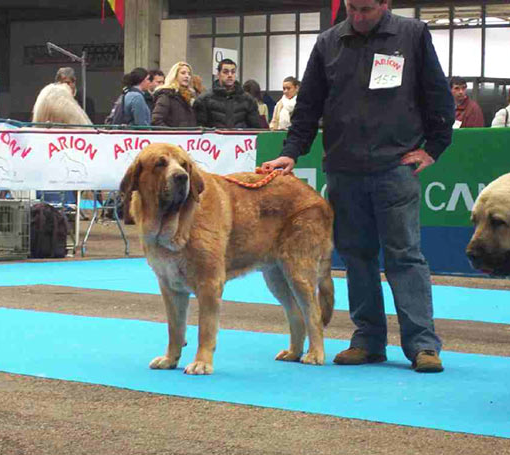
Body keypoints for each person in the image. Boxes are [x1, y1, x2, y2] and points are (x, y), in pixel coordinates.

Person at [262, 0, 454, 373]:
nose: (359, 17)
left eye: (366, 9)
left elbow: (437, 95)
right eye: (353, 9)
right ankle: (367, 340)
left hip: (395, 168)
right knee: (356, 255)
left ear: (385, 4)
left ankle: (422, 345)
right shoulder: (328, 43)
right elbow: (308, 108)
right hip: (343, 170)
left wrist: (434, 148)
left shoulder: (413, 35)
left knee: (405, 255)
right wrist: (291, 153)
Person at [194, 58, 260, 128]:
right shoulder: (203, 100)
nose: (230, 75)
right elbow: (199, 129)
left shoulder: (248, 100)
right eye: (226, 72)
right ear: (218, 74)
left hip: (240, 138)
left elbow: (256, 128)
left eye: (233, 72)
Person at [151, 61, 197, 127]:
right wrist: (173, 135)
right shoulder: (166, 95)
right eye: (183, 73)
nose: (187, 76)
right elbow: (156, 120)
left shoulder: (190, 97)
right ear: (175, 75)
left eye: (189, 74)